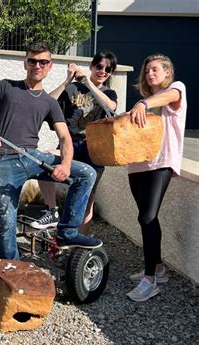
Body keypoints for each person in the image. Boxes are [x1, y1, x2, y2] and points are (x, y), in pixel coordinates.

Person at [0, 42, 102, 260]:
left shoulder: (50, 102)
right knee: (7, 218)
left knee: (87, 173)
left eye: (43, 62)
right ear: (25, 64)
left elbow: (65, 137)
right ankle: (13, 268)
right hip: (3, 161)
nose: (37, 65)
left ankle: (67, 232)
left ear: (49, 66)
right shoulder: (6, 86)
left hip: (32, 157)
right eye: (33, 61)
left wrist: (65, 165)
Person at [34, 51, 118, 233]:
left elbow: (110, 107)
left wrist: (88, 82)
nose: (103, 71)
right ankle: (52, 210)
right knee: (43, 162)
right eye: (99, 66)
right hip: (70, 143)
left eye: (108, 69)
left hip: (93, 147)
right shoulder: (72, 89)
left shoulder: (109, 93)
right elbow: (46, 103)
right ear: (92, 66)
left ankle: (80, 240)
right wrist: (67, 81)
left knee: (88, 198)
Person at [125, 54, 186, 302]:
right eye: (147, 70)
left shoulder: (176, 89)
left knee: (147, 216)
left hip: (161, 163)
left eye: (155, 70)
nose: (150, 74)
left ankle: (150, 280)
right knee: (146, 220)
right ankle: (158, 269)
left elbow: (170, 97)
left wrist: (142, 103)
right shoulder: (145, 102)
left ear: (167, 73)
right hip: (138, 164)